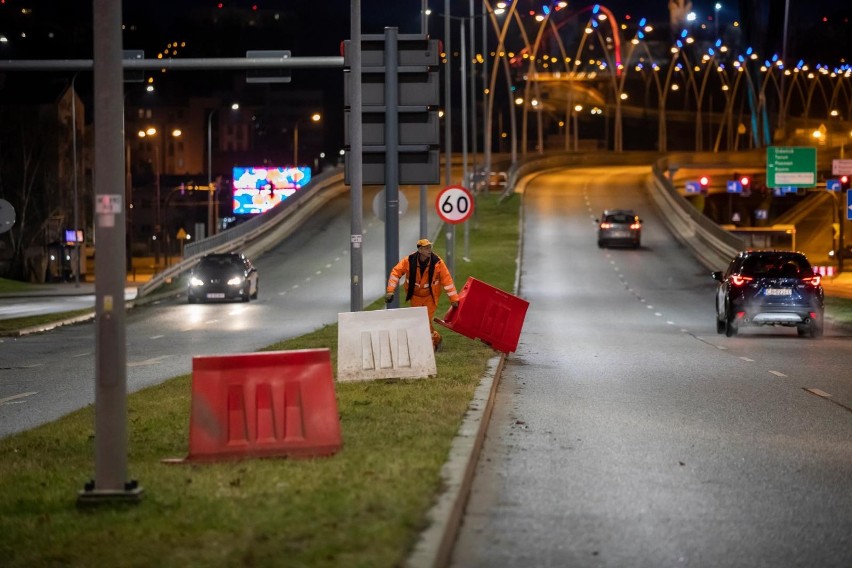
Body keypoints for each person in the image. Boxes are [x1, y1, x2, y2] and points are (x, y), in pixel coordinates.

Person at [385, 238, 460, 351]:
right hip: (415, 296)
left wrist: (454, 299)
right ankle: (436, 339)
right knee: (418, 321)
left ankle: (429, 346)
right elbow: (395, 273)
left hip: (430, 296)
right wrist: (390, 291)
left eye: (430, 247)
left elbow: (447, 281)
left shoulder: (437, 262)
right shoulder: (408, 261)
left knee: (424, 320)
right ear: (419, 250)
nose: (429, 250)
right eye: (426, 248)